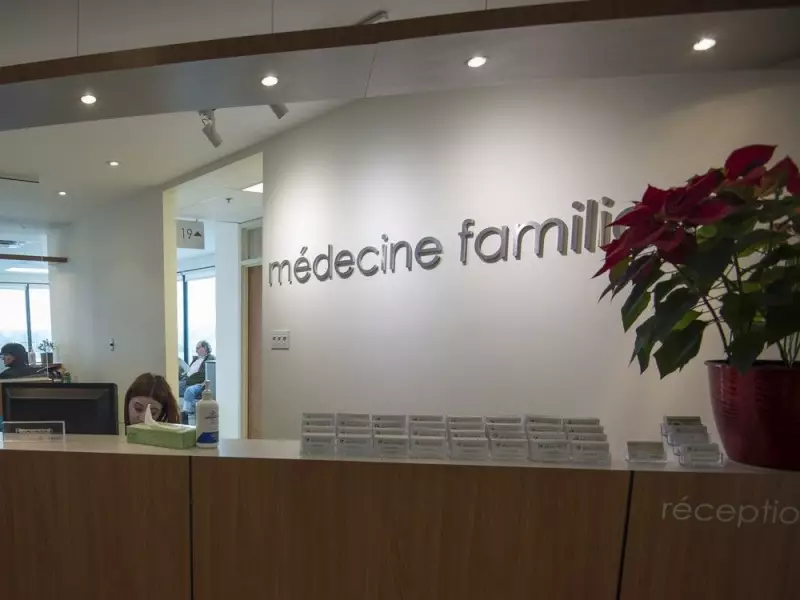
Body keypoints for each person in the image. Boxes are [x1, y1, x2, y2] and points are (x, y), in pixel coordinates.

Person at [181, 340, 214, 415]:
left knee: (189, 390)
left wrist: (202, 383)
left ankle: (187, 412)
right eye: (196, 348)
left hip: (200, 383)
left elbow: (205, 374)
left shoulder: (210, 358)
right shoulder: (196, 359)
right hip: (187, 380)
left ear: (205, 348)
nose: (196, 350)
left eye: (198, 348)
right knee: (173, 385)